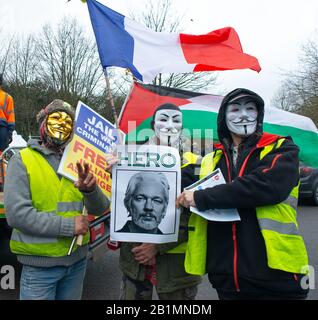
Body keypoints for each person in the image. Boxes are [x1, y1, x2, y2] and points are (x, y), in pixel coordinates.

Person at [176, 88, 309, 300]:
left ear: (259, 115)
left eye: (250, 108)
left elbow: (267, 186)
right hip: (227, 281)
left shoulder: (281, 148)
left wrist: (201, 197)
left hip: (278, 278)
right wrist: (125, 166)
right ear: (223, 118)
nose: (244, 114)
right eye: (235, 109)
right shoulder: (210, 158)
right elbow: (168, 179)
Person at [4, 99, 110, 300]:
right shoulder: (22, 160)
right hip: (39, 269)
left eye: (68, 123)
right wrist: (69, 226)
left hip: (77, 262)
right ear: (43, 123)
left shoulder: (79, 160)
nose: (61, 127)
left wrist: (90, 190)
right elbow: (17, 215)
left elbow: (102, 206)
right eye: (56, 120)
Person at [106, 103, 202, 300]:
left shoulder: (195, 161)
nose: (169, 125)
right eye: (163, 119)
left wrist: (157, 245)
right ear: (153, 125)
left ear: (182, 128)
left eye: (176, 121)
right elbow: (124, 199)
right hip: (135, 263)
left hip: (176, 270)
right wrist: (113, 174)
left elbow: (197, 215)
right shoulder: (131, 155)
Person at [0, 73, 15, 151]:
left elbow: (11, 116)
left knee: (2, 152)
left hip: (2, 127)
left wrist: (10, 132)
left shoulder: (7, 97)